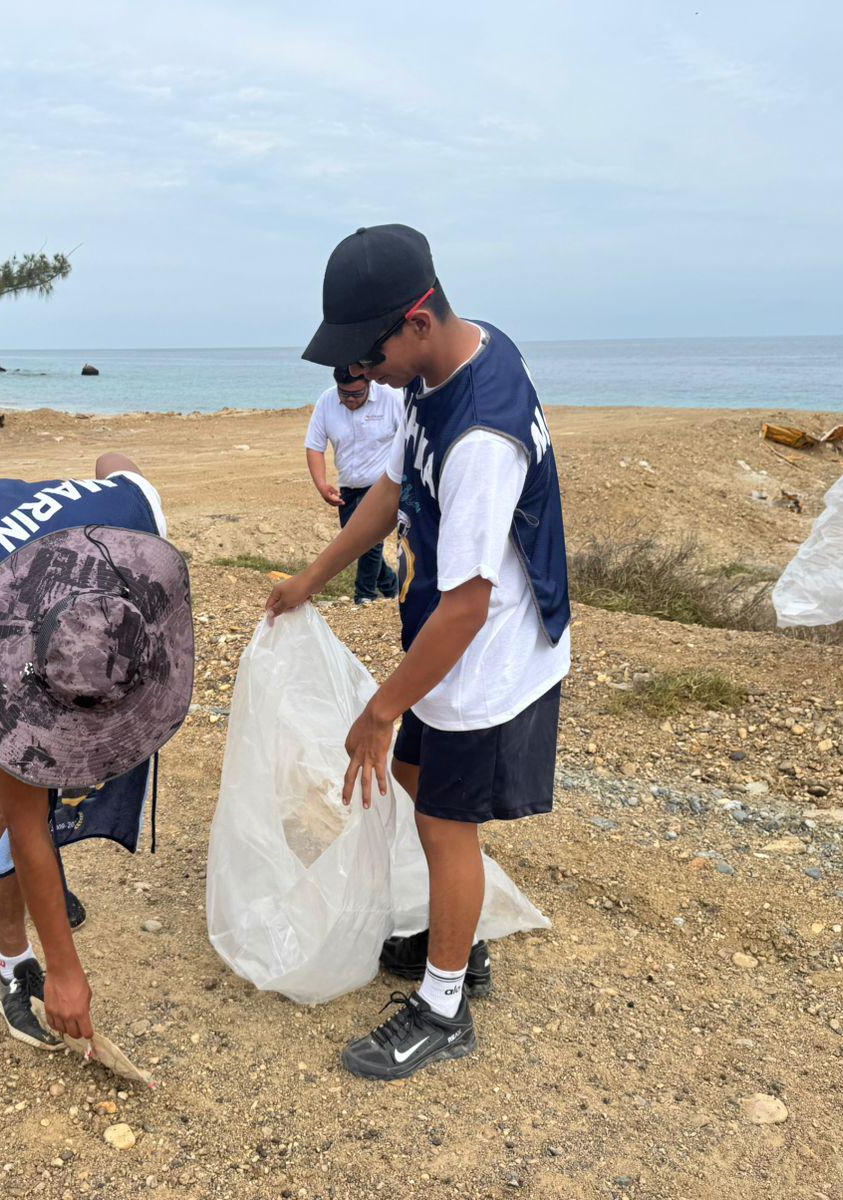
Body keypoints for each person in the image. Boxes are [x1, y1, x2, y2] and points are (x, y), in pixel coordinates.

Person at [268, 224, 570, 1080]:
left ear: (417, 320)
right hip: (448, 635)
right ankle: (454, 938)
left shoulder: (481, 440)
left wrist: (378, 709)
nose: (359, 376)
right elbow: (393, 492)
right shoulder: (446, 371)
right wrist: (311, 577)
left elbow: (471, 605)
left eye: (368, 354)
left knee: (444, 821)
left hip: (490, 654)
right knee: (415, 782)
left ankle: (445, 1002)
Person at [0, 454, 192, 1046]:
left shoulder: (137, 510)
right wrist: (65, 970)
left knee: (51, 779)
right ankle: (13, 969)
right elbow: (25, 822)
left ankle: (42, 884)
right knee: (6, 806)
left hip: (10, 530)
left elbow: (113, 462)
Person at [304, 364, 403, 604]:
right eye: (344, 393)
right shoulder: (327, 401)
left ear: (369, 383)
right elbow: (314, 446)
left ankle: (364, 596)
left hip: (382, 485)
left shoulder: (391, 399)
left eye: (357, 394)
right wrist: (321, 484)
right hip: (348, 487)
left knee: (370, 542)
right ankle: (391, 587)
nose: (350, 400)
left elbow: (409, 439)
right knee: (355, 544)